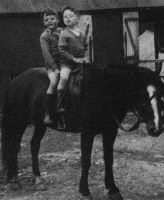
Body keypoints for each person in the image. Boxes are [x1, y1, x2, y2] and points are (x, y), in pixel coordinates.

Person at [57, 6, 89, 111]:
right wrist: (73, 59)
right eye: (65, 16)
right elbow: (61, 50)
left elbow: (85, 47)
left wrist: (85, 57)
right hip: (67, 63)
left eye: (71, 16)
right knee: (64, 78)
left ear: (77, 18)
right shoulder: (64, 33)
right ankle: (60, 103)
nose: (67, 18)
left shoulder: (81, 33)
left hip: (80, 62)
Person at [40, 8, 60, 125]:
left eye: (52, 18)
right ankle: (48, 113)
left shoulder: (63, 32)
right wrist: (55, 68)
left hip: (65, 63)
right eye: (46, 20)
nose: (49, 21)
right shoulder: (44, 36)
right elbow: (46, 54)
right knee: (54, 82)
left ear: (58, 19)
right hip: (52, 66)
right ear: (44, 23)